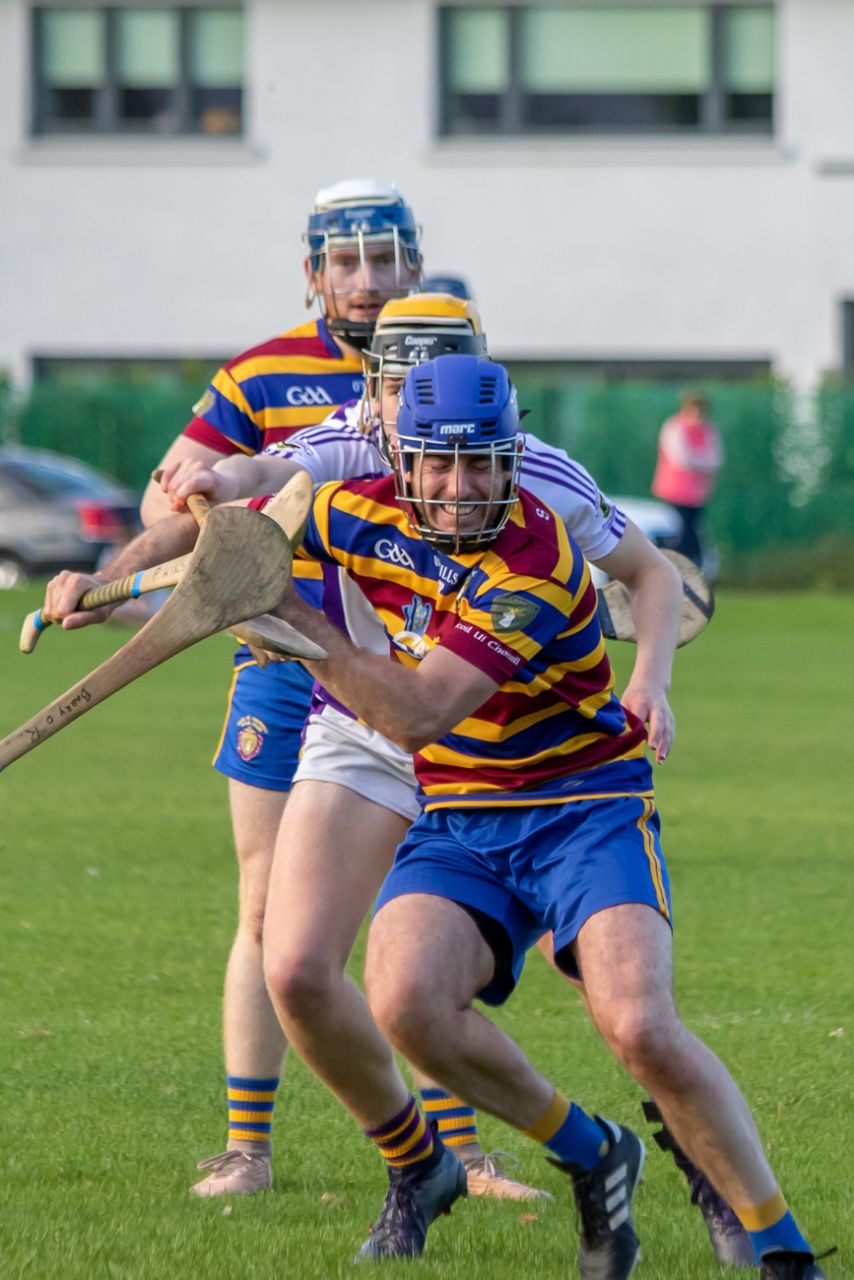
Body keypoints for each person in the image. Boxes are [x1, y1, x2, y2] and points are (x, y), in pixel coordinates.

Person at [44, 296, 753, 1256]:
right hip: (368, 722)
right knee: (296, 968)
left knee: (601, 979)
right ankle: (420, 1163)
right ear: (372, 384)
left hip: (501, 734)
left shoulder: (532, 471)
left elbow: (656, 575)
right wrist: (110, 572)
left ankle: (695, 1151)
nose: (395, 408)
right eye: (384, 381)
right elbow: (241, 500)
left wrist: (651, 680)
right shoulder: (344, 444)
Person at [263, 353, 828, 1278]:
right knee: (405, 1001)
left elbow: (413, 715)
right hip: (459, 816)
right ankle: (594, 1152)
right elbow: (238, 526)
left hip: (582, 808)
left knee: (639, 1025)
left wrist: (286, 613)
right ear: (403, 463)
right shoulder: (353, 509)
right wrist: (109, 581)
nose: (459, 486)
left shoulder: (535, 558)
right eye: (438, 464)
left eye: (482, 461)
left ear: (512, 458)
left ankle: (781, 1248)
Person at [139, 178, 426, 1196]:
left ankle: (459, 1154)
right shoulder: (260, 373)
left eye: (384, 257)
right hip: (279, 667)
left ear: (414, 266)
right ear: (312, 272)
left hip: (402, 676)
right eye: (344, 261)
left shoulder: (443, 363)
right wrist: (152, 546)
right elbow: (172, 489)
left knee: (408, 908)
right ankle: (248, 1149)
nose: (366, 279)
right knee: (263, 908)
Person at [651, 390, 723, 566]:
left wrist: (699, 462)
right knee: (681, 534)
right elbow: (681, 459)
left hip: (696, 495)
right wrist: (702, 461)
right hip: (674, 492)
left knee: (692, 535)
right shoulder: (674, 427)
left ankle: (689, 571)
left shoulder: (707, 429)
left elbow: (715, 458)